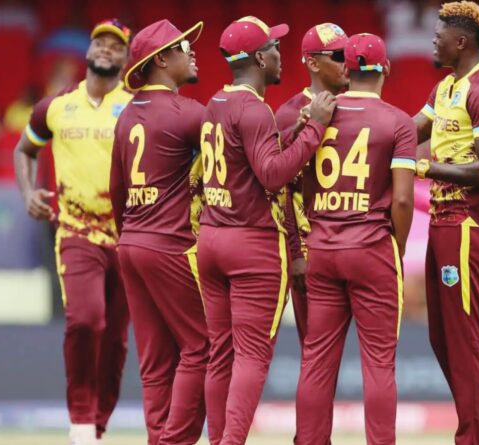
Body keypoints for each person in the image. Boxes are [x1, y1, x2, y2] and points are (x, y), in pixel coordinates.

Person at [198, 16, 335, 445]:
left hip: (212, 237)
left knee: (220, 353)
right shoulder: (255, 109)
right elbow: (273, 175)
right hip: (251, 242)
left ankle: (218, 438)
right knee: (252, 355)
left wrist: (294, 130)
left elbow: (247, 158)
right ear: (259, 59)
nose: (280, 55)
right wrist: (315, 128)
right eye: (274, 47)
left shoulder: (216, 102)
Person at [13, 19, 132, 445]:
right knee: (85, 319)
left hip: (127, 237)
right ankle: (81, 421)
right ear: (88, 52)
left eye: (115, 45)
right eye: (100, 42)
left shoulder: (135, 107)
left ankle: (96, 426)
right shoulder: (56, 106)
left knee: (115, 340)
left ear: (126, 57)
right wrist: (28, 192)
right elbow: (25, 149)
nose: (106, 49)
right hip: (76, 231)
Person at [294, 32, 416, 445]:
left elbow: (300, 179)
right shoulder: (398, 121)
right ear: (386, 69)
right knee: (379, 363)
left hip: (322, 247)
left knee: (316, 360)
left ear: (345, 69)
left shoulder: (317, 112)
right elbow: (403, 199)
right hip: (371, 247)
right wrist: (397, 246)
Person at [109, 19, 208, 445]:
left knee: (154, 360)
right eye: (184, 47)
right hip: (171, 245)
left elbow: (116, 191)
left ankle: (158, 439)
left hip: (131, 242)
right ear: (161, 60)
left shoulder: (126, 115)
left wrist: (130, 235)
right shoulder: (188, 113)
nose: (193, 52)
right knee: (202, 347)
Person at [411, 2, 479, 443]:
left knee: (465, 337)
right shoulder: (446, 87)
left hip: (469, 224)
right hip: (443, 221)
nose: (433, 40)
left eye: (439, 35)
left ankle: (474, 437)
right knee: (442, 337)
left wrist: (427, 168)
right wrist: (362, 125)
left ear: (461, 41)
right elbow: (409, 131)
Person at [274, 22, 349, 345]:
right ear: (313, 63)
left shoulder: (361, 106)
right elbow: (281, 190)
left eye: (350, 53)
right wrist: (296, 254)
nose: (348, 61)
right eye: (339, 55)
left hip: (357, 244)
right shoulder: (289, 114)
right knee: (316, 348)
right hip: (312, 249)